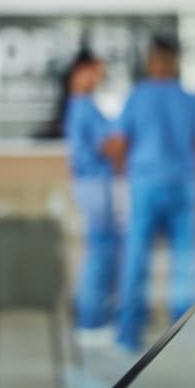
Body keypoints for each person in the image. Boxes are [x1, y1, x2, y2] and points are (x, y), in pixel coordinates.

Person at [115, 35, 195, 352]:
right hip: (183, 183)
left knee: (136, 258)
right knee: (185, 261)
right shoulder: (191, 100)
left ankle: (129, 333)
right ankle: (181, 337)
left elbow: (120, 145)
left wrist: (124, 172)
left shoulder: (136, 98)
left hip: (145, 184)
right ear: (176, 62)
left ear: (152, 61)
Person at [62, 49, 122, 336]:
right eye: (97, 72)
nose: (100, 78)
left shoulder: (80, 105)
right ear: (81, 70)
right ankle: (91, 319)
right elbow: (109, 145)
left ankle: (95, 315)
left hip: (92, 184)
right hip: (93, 185)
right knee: (100, 251)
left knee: (103, 249)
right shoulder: (84, 106)